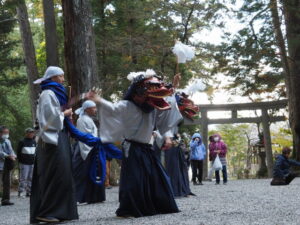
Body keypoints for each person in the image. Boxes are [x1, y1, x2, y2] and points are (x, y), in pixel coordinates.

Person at [87, 69, 182, 217]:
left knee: (157, 177)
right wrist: (98, 100)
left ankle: (157, 205)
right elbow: (111, 108)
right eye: (143, 91)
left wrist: (173, 89)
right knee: (134, 180)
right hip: (132, 148)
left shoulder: (153, 109)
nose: (143, 96)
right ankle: (128, 210)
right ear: (136, 92)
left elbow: (165, 118)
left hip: (147, 148)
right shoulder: (126, 105)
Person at [30, 66, 78, 223]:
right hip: (51, 140)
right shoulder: (47, 93)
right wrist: (65, 113)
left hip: (59, 137)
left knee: (63, 175)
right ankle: (47, 211)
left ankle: (61, 211)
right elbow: (50, 119)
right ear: (52, 78)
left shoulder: (54, 93)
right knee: (54, 175)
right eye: (60, 76)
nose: (63, 80)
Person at [72, 100, 112, 204]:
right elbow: (84, 136)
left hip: (93, 148)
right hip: (86, 149)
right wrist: (88, 150)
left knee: (95, 172)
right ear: (87, 109)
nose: (95, 110)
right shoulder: (81, 120)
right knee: (84, 173)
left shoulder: (88, 119)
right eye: (94, 108)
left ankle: (95, 197)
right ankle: (83, 197)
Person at [17, 128, 36, 198]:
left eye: (32, 133)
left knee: (30, 178)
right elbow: (18, 152)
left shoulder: (34, 142)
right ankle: (21, 191)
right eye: (30, 133)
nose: (32, 134)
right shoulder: (22, 141)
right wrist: (20, 161)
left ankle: (29, 191)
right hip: (24, 163)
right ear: (26, 133)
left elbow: (35, 152)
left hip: (32, 162)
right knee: (23, 177)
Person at [0, 126, 16, 206]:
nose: (7, 134)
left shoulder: (8, 141)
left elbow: (11, 150)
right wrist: (7, 156)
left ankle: (5, 200)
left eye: (7, 133)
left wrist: (13, 156)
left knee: (7, 182)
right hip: (1, 162)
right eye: (5, 133)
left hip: (7, 164)